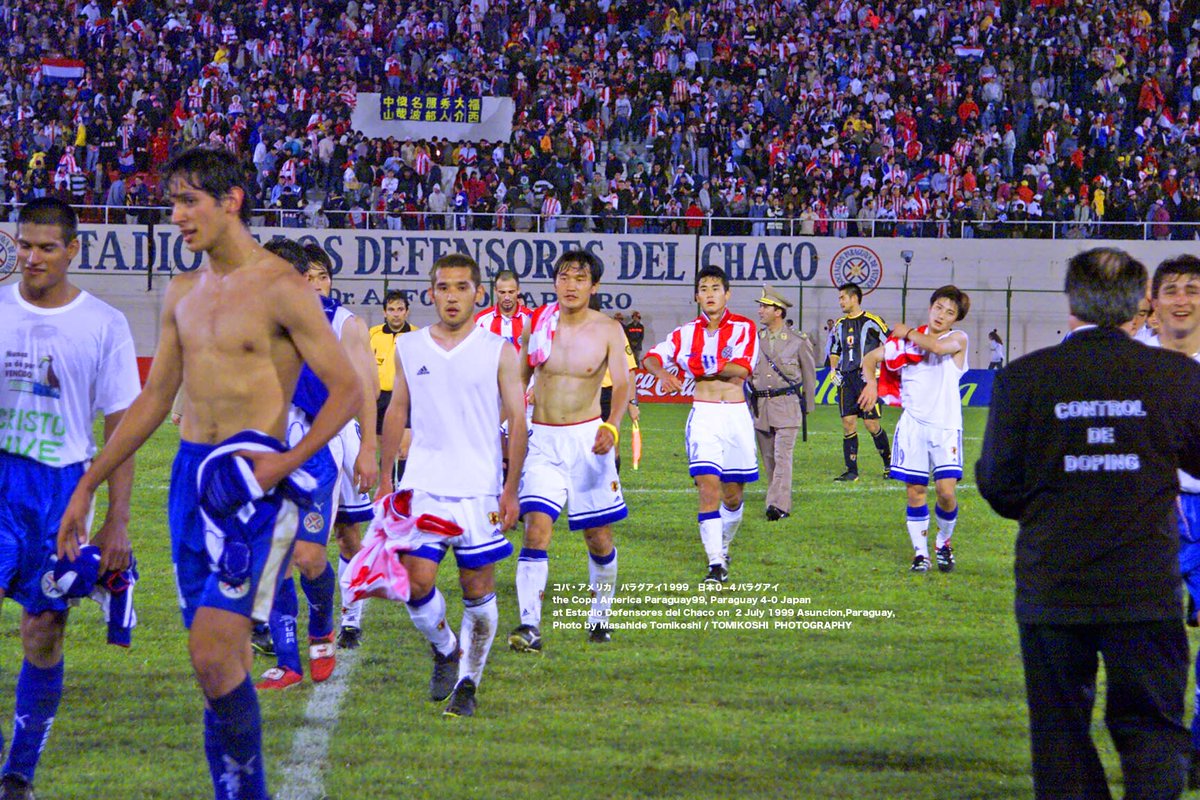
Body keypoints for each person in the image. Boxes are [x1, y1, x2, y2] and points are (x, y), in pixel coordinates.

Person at [58, 147, 361, 800]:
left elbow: (346, 392)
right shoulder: (182, 292)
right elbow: (152, 402)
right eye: (172, 202)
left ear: (231, 201)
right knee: (217, 663)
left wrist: (281, 463)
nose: (176, 216)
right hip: (189, 484)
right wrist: (87, 484)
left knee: (211, 655)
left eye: (189, 201)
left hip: (251, 488)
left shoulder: (283, 286)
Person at [977, 247, 1200, 800]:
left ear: (1071, 304)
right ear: (1139, 307)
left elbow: (998, 483)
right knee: (1152, 729)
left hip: (1054, 582)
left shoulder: (1025, 378)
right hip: (1144, 585)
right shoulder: (1175, 376)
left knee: (1061, 736)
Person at [0, 198, 140, 800]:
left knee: (44, 626)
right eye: (25, 245)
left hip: (60, 487)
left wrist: (117, 519)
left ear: (73, 249)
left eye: (47, 247)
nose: (32, 258)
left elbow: (122, 428)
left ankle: (18, 774)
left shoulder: (104, 322)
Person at [377, 253, 527, 717]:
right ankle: (444, 648)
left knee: (476, 590)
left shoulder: (499, 350)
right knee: (415, 582)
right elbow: (396, 411)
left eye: (462, 287)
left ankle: (468, 683)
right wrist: (386, 480)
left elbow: (519, 421)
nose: (452, 296)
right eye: (444, 287)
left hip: (480, 489)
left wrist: (510, 487)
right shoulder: (412, 347)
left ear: (478, 294)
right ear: (431, 293)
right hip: (423, 485)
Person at [508, 251, 631, 653]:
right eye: (563, 277)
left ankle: (600, 616)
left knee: (598, 538)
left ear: (593, 286)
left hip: (587, 442)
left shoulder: (609, 329)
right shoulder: (538, 323)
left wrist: (612, 426)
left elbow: (624, 384)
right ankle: (530, 627)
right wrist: (506, 424)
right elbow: (520, 378)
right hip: (542, 441)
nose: (571, 285)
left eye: (580, 278)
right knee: (536, 528)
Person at [642, 265, 758, 583]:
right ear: (697, 296)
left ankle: (722, 543)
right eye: (703, 288)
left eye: (715, 288)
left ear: (727, 294)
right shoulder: (684, 333)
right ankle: (715, 563)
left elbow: (741, 369)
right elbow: (651, 357)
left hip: (735, 415)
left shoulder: (745, 328)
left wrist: (696, 364)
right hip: (704, 414)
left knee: (733, 495)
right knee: (708, 487)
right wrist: (664, 374)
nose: (709, 294)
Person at [300, 243, 380, 653]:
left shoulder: (345, 322)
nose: (316, 285)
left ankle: (349, 618)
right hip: (291, 436)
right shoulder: (279, 318)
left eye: (323, 276)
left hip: (338, 435)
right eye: (308, 276)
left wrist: (368, 445)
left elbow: (367, 384)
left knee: (347, 533)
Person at [859, 286, 971, 573]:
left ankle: (943, 542)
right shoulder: (903, 345)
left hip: (945, 428)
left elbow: (935, 347)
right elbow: (870, 358)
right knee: (915, 491)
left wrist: (905, 332)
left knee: (946, 492)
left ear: (955, 319)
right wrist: (871, 383)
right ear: (931, 306)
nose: (941, 315)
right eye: (939, 307)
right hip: (913, 427)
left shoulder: (957, 339)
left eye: (949, 312)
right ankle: (921, 554)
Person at [1146, 256, 1200, 786]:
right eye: (1172, 289)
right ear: (1153, 300)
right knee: (1146, 639)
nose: (1182, 298)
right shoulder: (1135, 362)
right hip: (1150, 513)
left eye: (1193, 289)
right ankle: (1158, 746)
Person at [748, 285, 815, 521]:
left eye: (764, 306)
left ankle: (778, 505)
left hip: (787, 405)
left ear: (778, 311)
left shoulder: (798, 341)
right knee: (769, 459)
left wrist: (807, 406)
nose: (760, 311)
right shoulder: (756, 340)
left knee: (782, 456)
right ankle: (776, 498)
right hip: (761, 407)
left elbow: (809, 375)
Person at [828, 283, 892, 481]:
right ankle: (852, 471)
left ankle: (890, 466)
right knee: (848, 423)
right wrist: (833, 370)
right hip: (846, 379)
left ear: (854, 298)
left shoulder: (872, 321)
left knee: (871, 424)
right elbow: (835, 350)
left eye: (842, 298)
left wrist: (878, 367)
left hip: (866, 379)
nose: (840, 302)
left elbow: (891, 343)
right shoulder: (839, 324)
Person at [474, 269, 531, 349]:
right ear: (495, 291)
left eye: (511, 292)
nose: (507, 297)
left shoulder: (532, 319)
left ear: (518, 290)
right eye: (502, 292)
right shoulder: (481, 321)